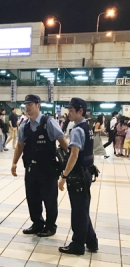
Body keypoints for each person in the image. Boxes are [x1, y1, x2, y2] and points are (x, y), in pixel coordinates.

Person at [11, 95, 68, 237]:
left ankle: (50, 226)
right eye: (25, 104)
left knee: (49, 198)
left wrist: (69, 160)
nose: (27, 107)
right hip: (31, 168)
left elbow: (62, 141)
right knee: (32, 197)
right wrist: (14, 163)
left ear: (38, 105)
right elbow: (19, 145)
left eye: (30, 104)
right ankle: (37, 223)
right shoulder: (24, 125)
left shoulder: (49, 122)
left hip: (48, 169)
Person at [58, 98, 98, 255]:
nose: (69, 113)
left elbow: (74, 155)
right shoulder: (87, 127)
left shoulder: (77, 130)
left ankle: (77, 244)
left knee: (78, 211)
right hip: (87, 172)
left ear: (80, 111)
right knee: (83, 208)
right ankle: (92, 241)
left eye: (72, 110)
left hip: (78, 175)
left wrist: (64, 175)